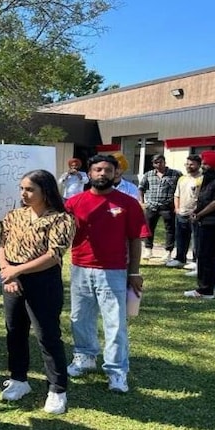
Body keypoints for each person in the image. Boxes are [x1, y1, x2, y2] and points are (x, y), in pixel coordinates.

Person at [64, 155, 150, 394]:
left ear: (115, 174)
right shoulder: (73, 203)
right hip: (80, 268)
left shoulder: (128, 203)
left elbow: (135, 239)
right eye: (98, 169)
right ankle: (84, 356)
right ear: (89, 174)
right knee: (79, 317)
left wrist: (134, 272)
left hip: (114, 271)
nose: (102, 173)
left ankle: (116, 370)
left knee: (115, 323)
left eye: (108, 170)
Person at [0, 169, 76, 414]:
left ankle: (57, 389)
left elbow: (53, 255)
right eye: (22, 188)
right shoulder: (13, 215)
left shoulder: (62, 219)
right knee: (15, 332)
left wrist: (18, 270)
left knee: (47, 335)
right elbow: (1, 245)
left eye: (30, 189)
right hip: (12, 279)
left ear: (46, 191)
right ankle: (19, 379)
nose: (24, 193)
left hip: (43, 281)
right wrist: (7, 271)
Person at [183, 150, 215, 300]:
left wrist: (199, 214)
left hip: (214, 222)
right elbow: (204, 199)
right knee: (203, 254)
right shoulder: (208, 179)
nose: (203, 166)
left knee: (207, 255)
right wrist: (196, 211)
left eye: (206, 164)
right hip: (204, 221)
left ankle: (205, 290)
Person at [138, 153, 181, 260]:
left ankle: (168, 252)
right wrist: (142, 202)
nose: (158, 164)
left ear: (164, 162)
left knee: (170, 230)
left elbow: (181, 189)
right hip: (152, 206)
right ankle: (148, 250)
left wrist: (177, 205)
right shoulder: (148, 174)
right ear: (153, 164)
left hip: (168, 207)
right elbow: (141, 188)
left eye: (160, 162)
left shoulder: (175, 174)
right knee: (149, 228)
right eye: (156, 162)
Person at [168, 155, 202, 269]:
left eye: (191, 164)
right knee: (181, 237)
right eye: (187, 164)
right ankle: (180, 258)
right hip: (181, 213)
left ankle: (196, 260)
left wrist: (197, 211)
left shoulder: (202, 179)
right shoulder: (182, 178)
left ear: (198, 165)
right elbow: (176, 195)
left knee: (196, 238)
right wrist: (177, 209)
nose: (188, 166)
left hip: (195, 214)